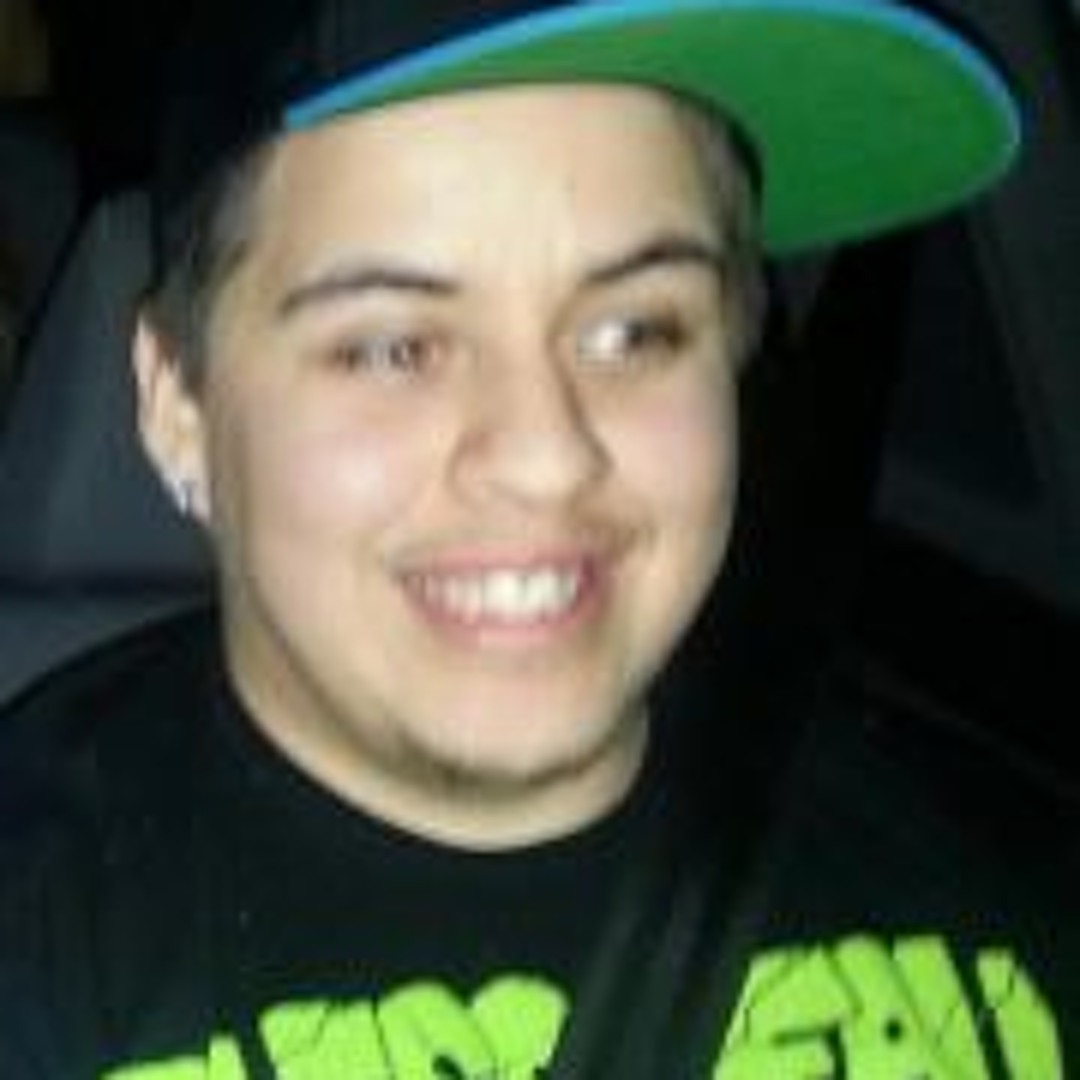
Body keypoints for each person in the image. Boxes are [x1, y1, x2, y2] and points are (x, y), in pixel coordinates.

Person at [0, 1, 1075, 1077]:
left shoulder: (1002, 859)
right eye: (393, 348)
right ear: (177, 406)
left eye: (634, 331)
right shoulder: (41, 933)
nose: (546, 455)